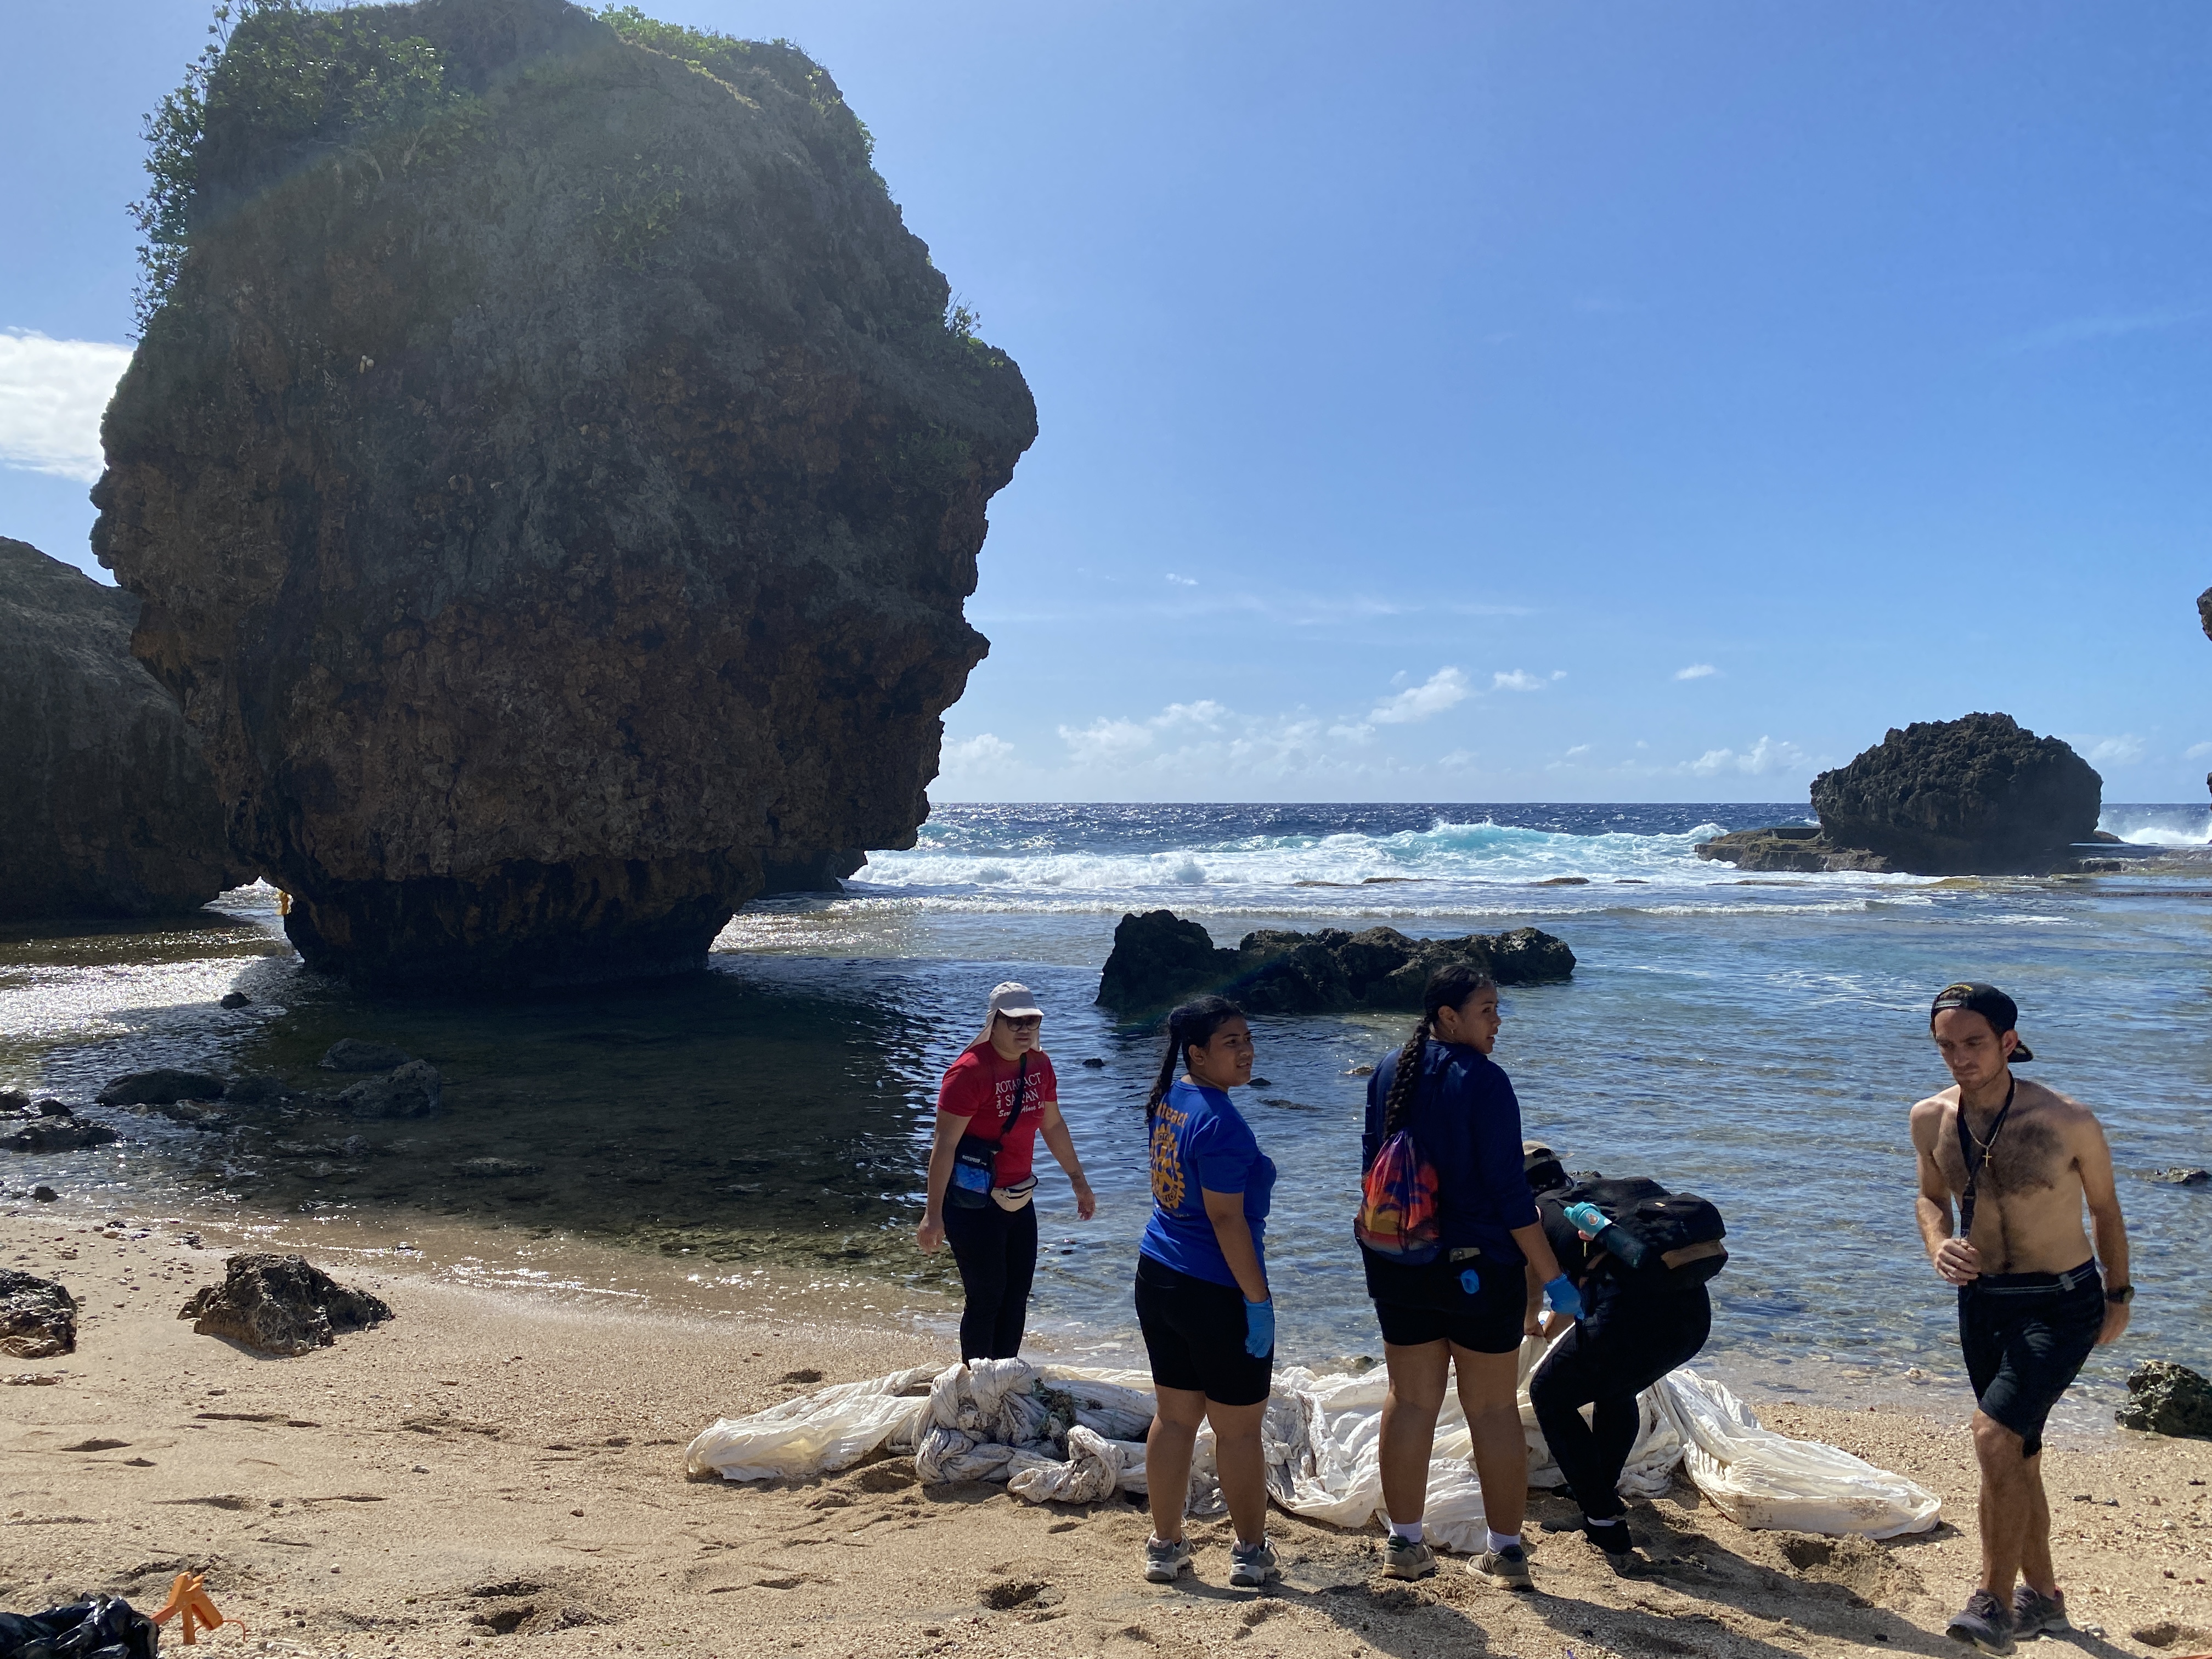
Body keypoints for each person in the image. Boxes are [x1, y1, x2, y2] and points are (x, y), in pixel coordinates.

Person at [1910, 982, 2132, 1657]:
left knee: (1994, 1436)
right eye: (1947, 1045)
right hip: (1983, 1303)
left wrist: (2118, 1296)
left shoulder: (2067, 1120)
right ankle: (2045, 1597)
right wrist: (1937, 1245)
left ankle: (1994, 1602)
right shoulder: (1930, 1118)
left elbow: (2106, 1212)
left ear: (2009, 1042)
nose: (1960, 1058)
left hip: (2062, 1299)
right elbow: (1928, 1197)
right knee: (2020, 1451)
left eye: (1974, 1044)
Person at [1361, 964, 1580, 1589]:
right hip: (1479, 1271)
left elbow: (1370, 1175)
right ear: (1449, 1019)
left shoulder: (1386, 1072)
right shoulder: (1485, 1081)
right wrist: (1556, 1281)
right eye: (1487, 1009)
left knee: (1409, 1403)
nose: (1498, 1020)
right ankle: (1507, 1554)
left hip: (1400, 1264)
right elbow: (1513, 1200)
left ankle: (1405, 1546)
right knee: (1490, 1409)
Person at [1132, 996, 1279, 1589]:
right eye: (1231, 1043)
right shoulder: (1222, 1123)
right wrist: (1258, 1302)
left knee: (1174, 1418)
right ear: (1197, 1053)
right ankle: (1250, 1553)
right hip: (1213, 1289)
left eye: (1248, 1038)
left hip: (1158, 1274)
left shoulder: (1171, 1099)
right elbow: (1227, 1222)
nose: (1246, 1051)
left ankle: (1164, 1548)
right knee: (1238, 1430)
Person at [1526, 1140, 1713, 1573]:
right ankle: (1599, 1495)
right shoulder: (1597, 1202)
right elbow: (1577, 1300)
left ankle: (1602, 1522)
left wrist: (1531, 1331)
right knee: (1616, 1386)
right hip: (1692, 1322)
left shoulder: (1531, 1216)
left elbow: (1541, 1299)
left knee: (1549, 1395)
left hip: (1630, 1322)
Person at [917, 981, 1096, 1362]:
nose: (1024, 1029)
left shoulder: (1040, 1065)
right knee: (986, 1297)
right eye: (1014, 1022)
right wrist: (933, 1215)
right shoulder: (968, 1073)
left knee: (1016, 1296)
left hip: (1019, 1198)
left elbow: (1053, 1125)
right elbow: (944, 1144)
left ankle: (1005, 1376)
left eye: (1031, 1021)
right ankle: (977, 1382)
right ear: (993, 1023)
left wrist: (1079, 1182)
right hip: (972, 1202)